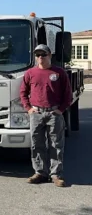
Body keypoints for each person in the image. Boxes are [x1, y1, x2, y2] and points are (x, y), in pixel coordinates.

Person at [20, 44, 72, 187]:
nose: (40, 57)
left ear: (50, 55)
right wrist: (29, 108)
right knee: (37, 144)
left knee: (56, 145)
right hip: (36, 114)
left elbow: (68, 95)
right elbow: (23, 93)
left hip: (54, 113)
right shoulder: (30, 73)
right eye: (37, 55)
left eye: (43, 54)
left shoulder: (59, 73)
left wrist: (61, 110)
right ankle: (40, 173)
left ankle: (56, 175)